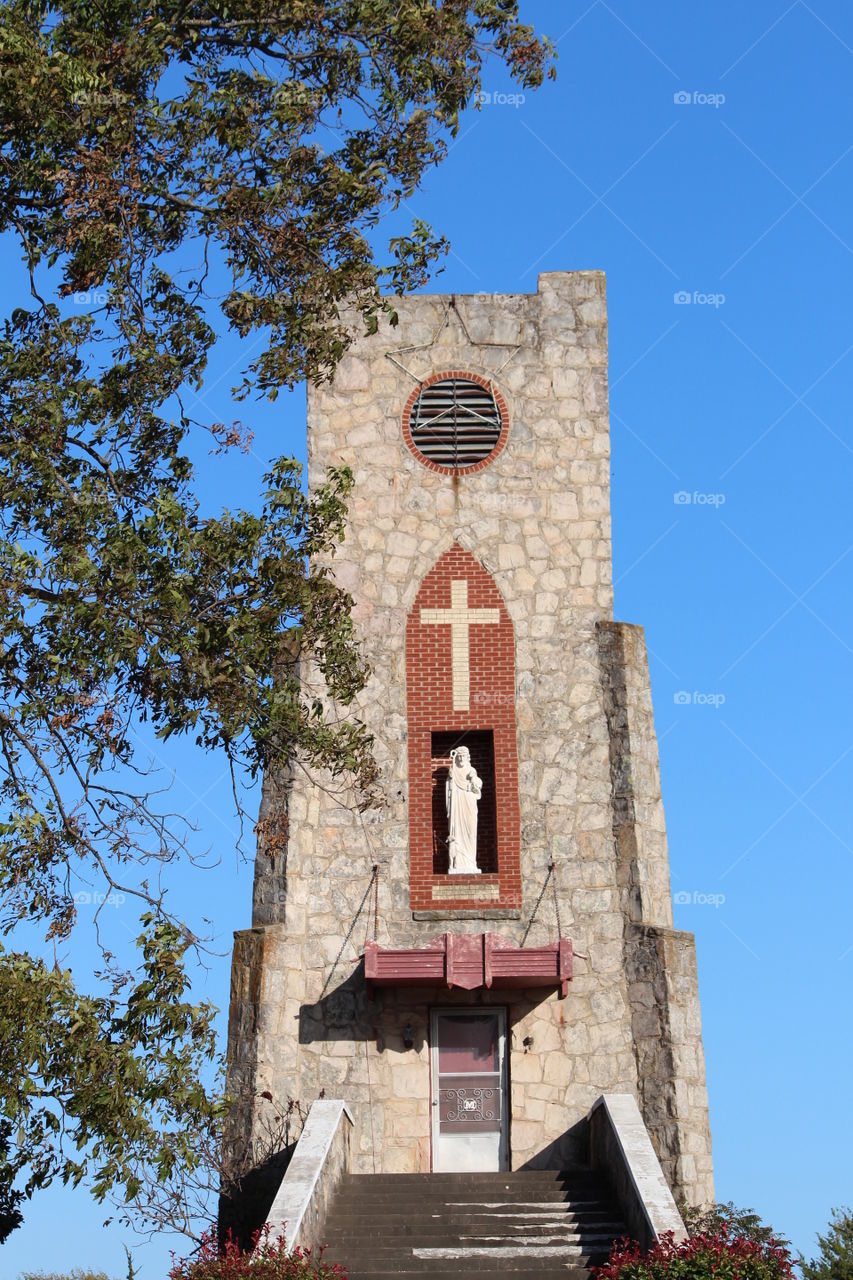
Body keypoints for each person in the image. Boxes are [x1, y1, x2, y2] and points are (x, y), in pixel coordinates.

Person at [446, 746, 482, 874]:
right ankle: (457, 863)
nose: (461, 758)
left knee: (471, 831)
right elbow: (449, 789)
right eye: (459, 756)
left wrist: (474, 781)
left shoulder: (471, 770)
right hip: (457, 804)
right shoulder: (453, 770)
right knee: (457, 833)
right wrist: (450, 780)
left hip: (469, 803)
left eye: (463, 756)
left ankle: (471, 861)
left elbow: (477, 785)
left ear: (468, 758)